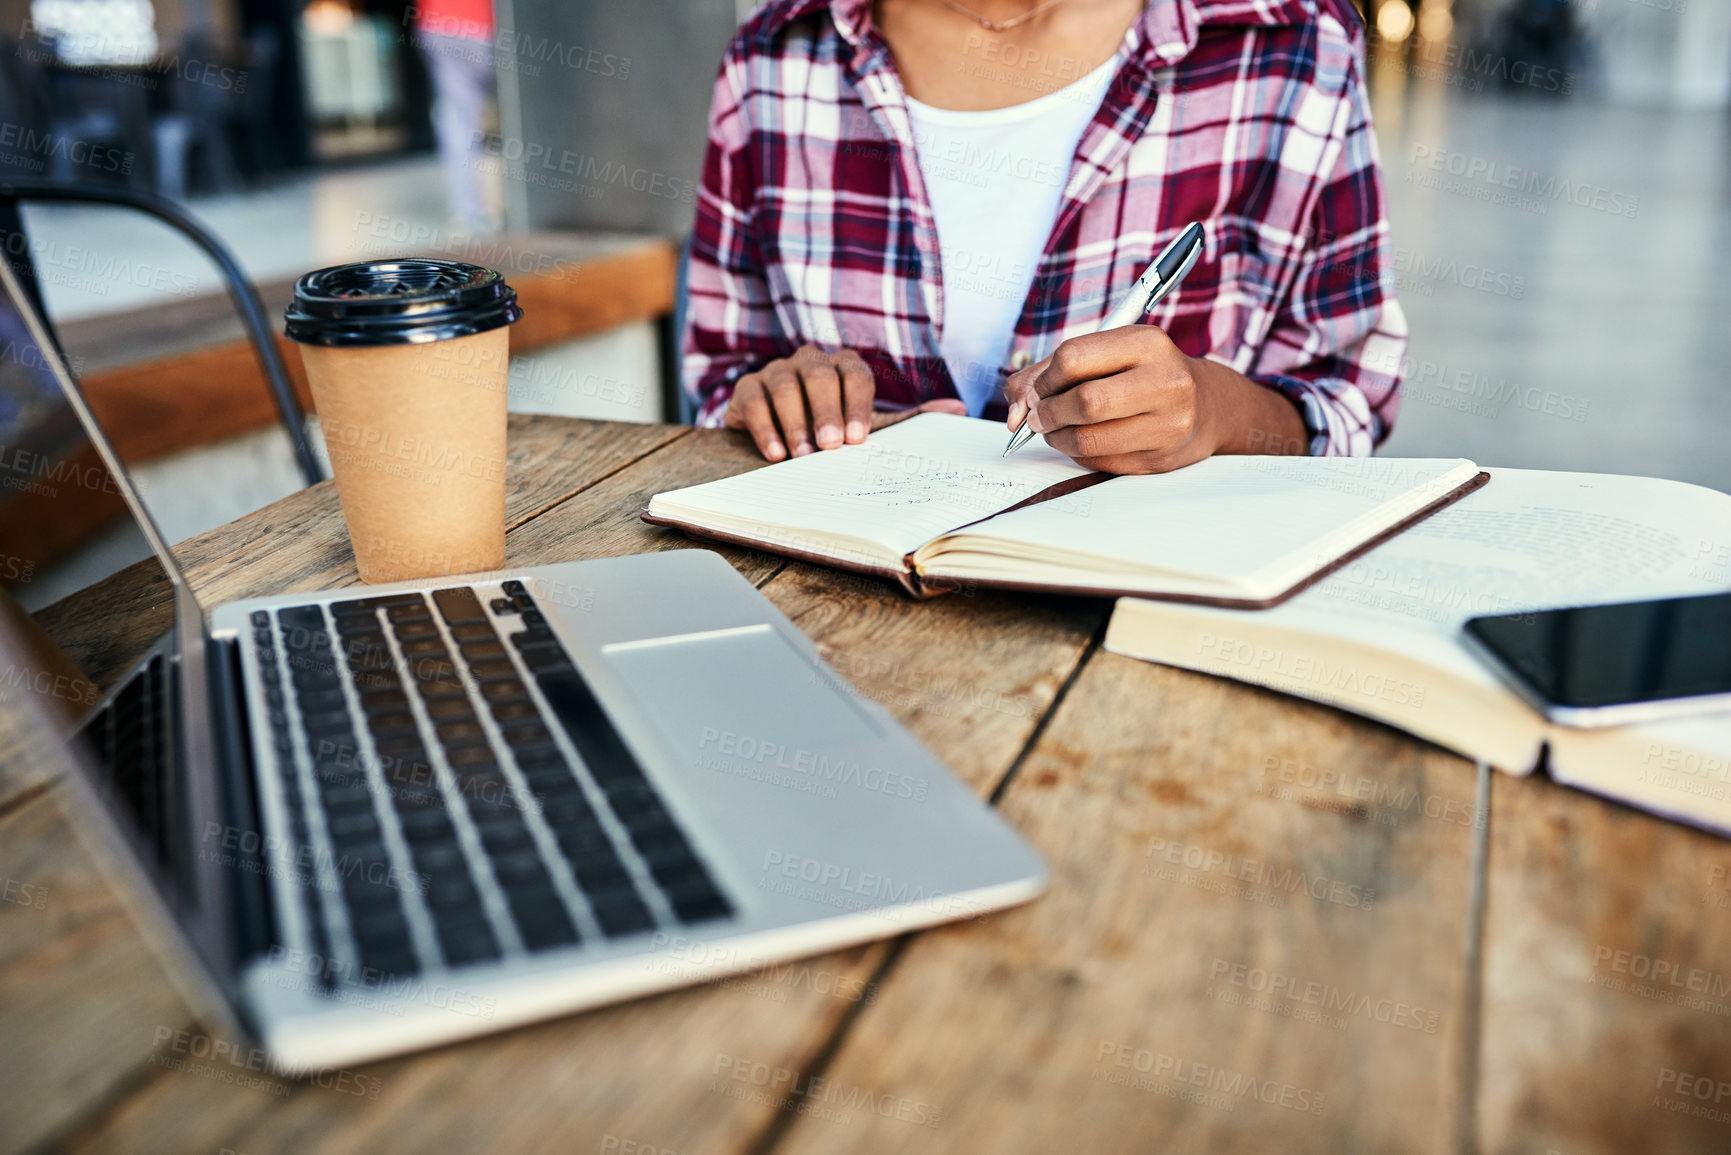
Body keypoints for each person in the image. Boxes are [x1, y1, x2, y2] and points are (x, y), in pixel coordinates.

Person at [681, 0, 1406, 474]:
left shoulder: (1290, 46)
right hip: (834, 610)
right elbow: (720, 378)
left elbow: (1346, 404)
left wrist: (1216, 413)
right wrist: (776, 403)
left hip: (1140, 619)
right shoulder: (771, 60)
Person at [413, 0, 497, 229]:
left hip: (439, 23)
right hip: (483, 25)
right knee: (520, 110)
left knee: (458, 119)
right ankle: (531, 207)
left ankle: (466, 209)